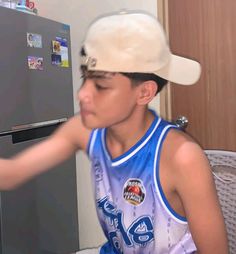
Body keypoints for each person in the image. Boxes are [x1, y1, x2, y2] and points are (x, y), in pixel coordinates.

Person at [0, 10, 229, 254]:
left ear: (144, 93)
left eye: (101, 85)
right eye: (85, 78)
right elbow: (11, 174)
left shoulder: (182, 157)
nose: (83, 94)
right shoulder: (86, 130)